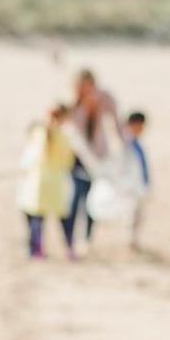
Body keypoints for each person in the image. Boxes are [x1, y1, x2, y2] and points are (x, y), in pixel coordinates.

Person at [65, 68, 121, 255]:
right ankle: (69, 241)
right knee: (74, 199)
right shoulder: (72, 105)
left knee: (92, 201)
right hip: (77, 158)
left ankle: (86, 239)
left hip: (98, 157)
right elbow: (73, 134)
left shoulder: (103, 99)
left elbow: (115, 120)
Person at [18, 103, 77, 259]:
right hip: (56, 182)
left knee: (37, 218)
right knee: (64, 219)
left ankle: (36, 250)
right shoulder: (62, 137)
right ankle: (69, 249)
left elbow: (27, 159)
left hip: (37, 181)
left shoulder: (38, 133)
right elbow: (68, 162)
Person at [123, 110, 151, 253]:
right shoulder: (125, 142)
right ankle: (130, 242)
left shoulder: (136, 142)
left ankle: (134, 241)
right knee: (131, 214)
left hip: (138, 185)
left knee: (138, 215)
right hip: (130, 185)